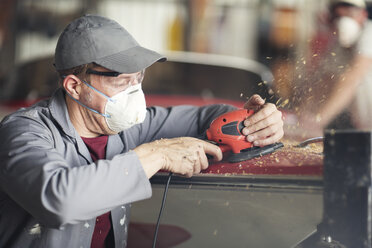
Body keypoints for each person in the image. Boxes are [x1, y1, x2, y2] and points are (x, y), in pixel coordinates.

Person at [0, 15, 284, 248]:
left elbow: (205, 117)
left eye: (139, 78)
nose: (135, 91)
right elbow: (59, 200)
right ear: (75, 86)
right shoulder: (25, 132)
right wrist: (155, 154)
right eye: (123, 81)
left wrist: (254, 119)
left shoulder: (128, 126)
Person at [296, 0, 372, 136]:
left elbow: (352, 78)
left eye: (349, 14)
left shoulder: (369, 34)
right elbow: (326, 80)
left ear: (363, 15)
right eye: (339, 16)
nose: (344, 21)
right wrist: (304, 112)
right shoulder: (339, 44)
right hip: (363, 125)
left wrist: (319, 120)